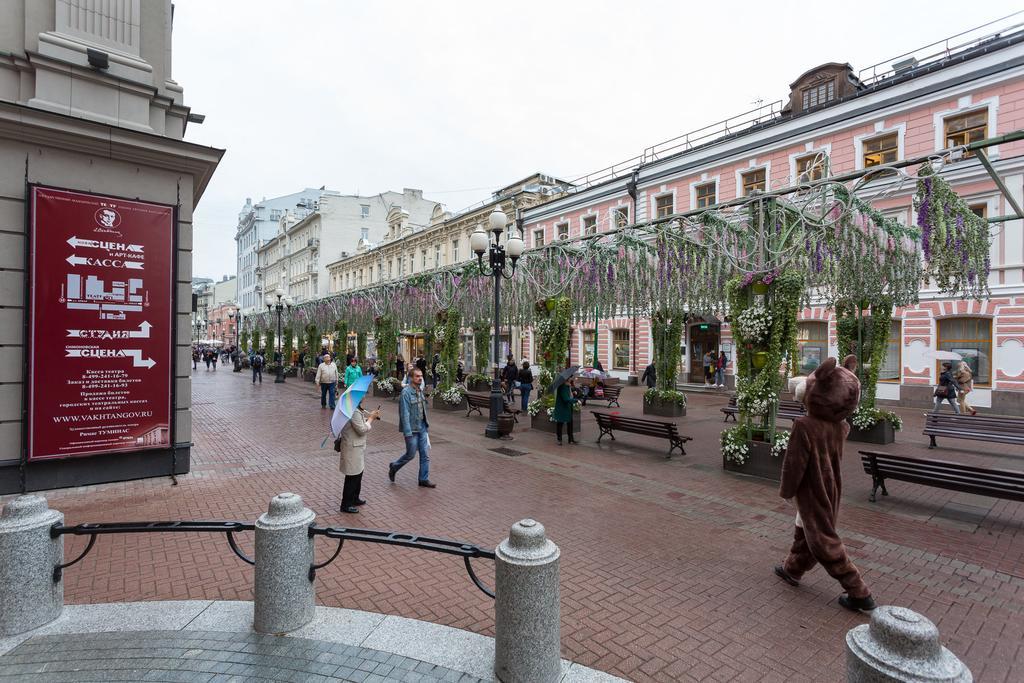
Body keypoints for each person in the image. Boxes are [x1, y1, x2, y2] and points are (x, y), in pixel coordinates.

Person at [774, 356, 875, 612]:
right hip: (832, 486)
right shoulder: (840, 426)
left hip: (812, 487)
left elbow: (794, 463)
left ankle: (858, 591)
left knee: (823, 540)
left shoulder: (805, 426)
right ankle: (793, 569)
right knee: (806, 528)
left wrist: (787, 490)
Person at [389, 368, 435, 488]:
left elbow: (422, 409)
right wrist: (407, 432)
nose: (420, 378)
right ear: (410, 378)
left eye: (421, 376)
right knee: (411, 454)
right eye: (417, 376)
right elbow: (404, 414)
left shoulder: (420, 390)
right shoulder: (406, 393)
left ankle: (423, 479)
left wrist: (426, 424)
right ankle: (394, 466)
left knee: (425, 454)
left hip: (422, 427)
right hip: (412, 429)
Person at [335, 400, 380, 514]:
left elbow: (357, 423)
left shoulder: (354, 409)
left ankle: (355, 498)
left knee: (358, 473)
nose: (364, 397)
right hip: (352, 448)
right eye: (363, 395)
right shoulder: (353, 411)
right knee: (352, 476)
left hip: (356, 447)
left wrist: (369, 417)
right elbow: (361, 430)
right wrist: (370, 419)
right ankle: (346, 504)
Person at [553, 375, 578, 445]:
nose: (572, 379)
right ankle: (559, 439)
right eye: (571, 377)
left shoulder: (568, 386)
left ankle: (570, 439)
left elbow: (568, 396)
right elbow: (565, 399)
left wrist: (572, 393)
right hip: (562, 408)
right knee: (560, 423)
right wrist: (575, 400)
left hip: (567, 407)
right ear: (567, 379)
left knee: (570, 423)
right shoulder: (563, 387)